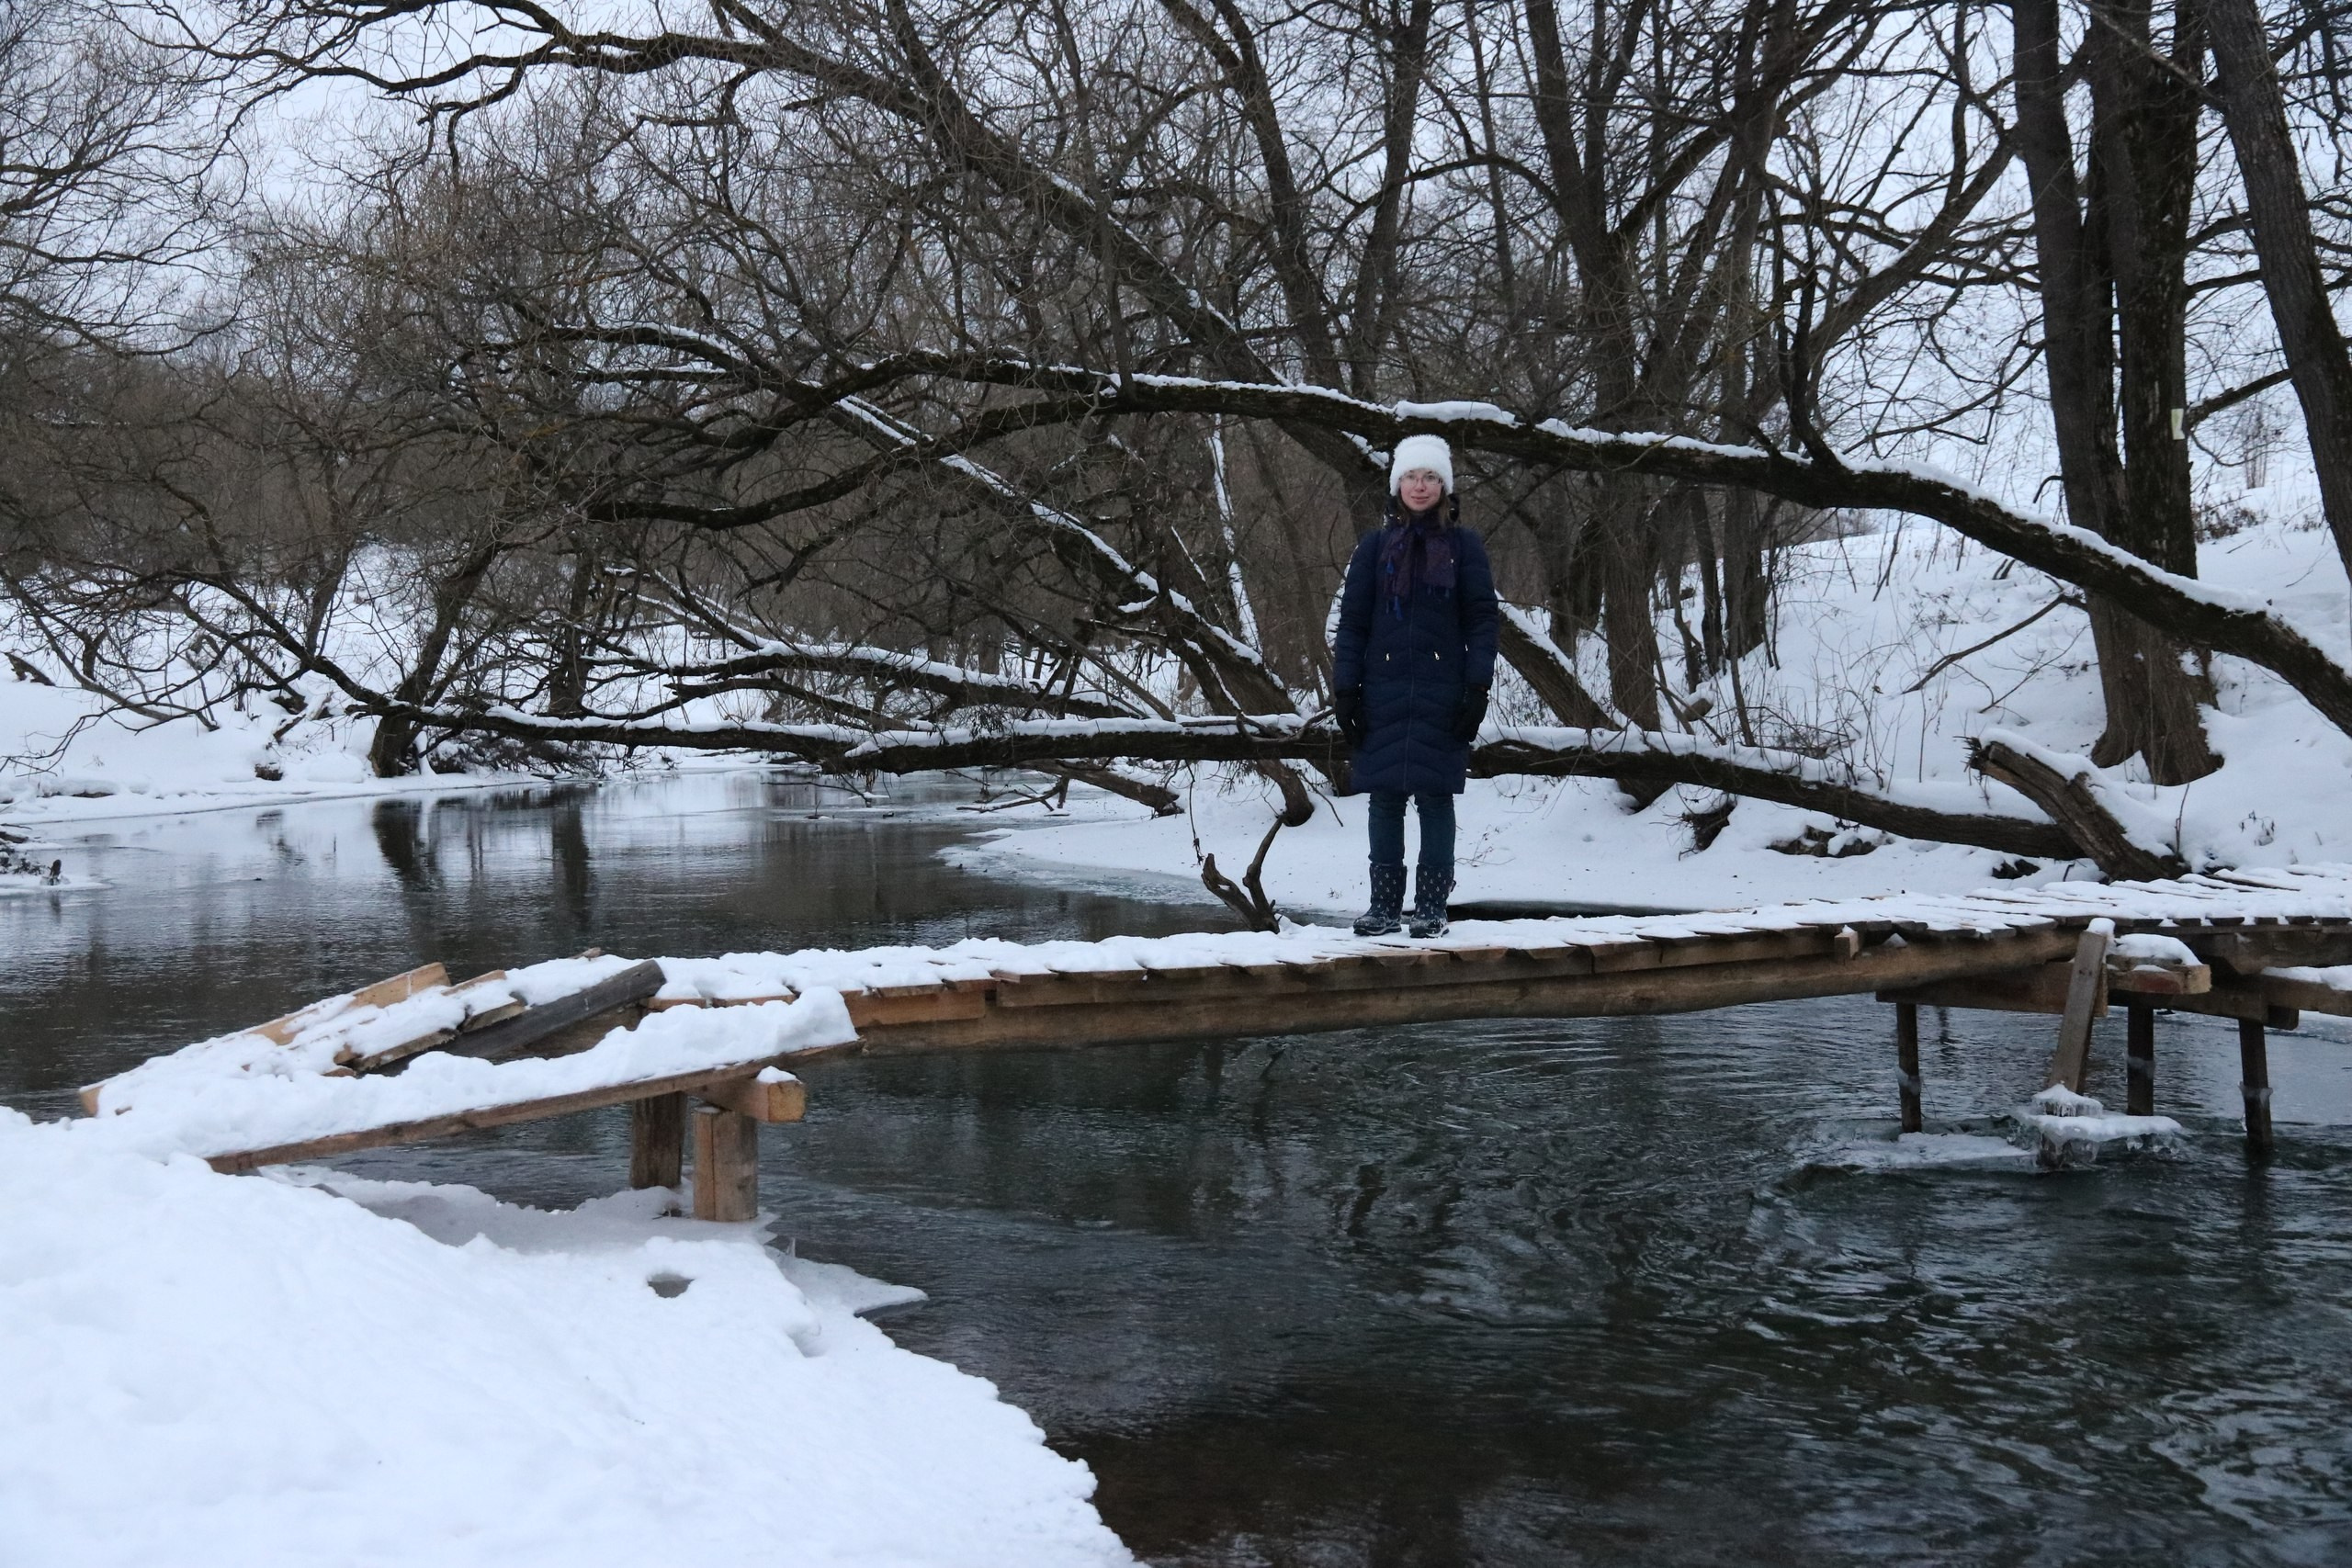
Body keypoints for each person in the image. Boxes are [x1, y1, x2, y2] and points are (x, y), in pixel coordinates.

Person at [1330, 434, 1500, 937]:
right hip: (1380, 691)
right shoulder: (1374, 547)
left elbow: (1482, 621)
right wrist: (1346, 691)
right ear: (1397, 484)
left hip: (1444, 691)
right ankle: (1383, 908)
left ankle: (1431, 908)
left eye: (1429, 477)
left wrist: (1477, 689)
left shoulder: (1464, 547)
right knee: (1384, 798)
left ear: (1443, 486)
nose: (1419, 486)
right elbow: (1353, 622)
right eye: (1410, 476)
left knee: (1435, 798)